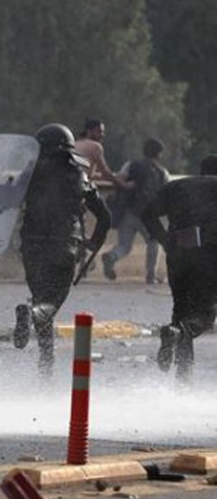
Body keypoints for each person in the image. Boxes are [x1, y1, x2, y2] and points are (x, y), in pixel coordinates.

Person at [12, 124, 111, 376]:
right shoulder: (80, 176)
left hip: (32, 246)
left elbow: (3, 203)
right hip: (65, 246)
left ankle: (46, 363)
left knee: (40, 300)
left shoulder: (28, 176)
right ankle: (42, 350)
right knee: (50, 304)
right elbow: (105, 217)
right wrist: (91, 244)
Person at [141, 155, 217, 382]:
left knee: (181, 312)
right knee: (203, 315)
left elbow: (146, 213)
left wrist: (165, 240)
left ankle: (183, 378)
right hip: (210, 256)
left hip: (179, 254)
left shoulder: (176, 187)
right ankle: (180, 336)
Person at [101, 138, 170, 283]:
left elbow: (118, 180)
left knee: (124, 246)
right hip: (149, 216)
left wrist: (126, 187)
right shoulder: (162, 172)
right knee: (153, 243)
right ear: (159, 154)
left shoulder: (131, 165)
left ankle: (112, 256)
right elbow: (165, 193)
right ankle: (151, 275)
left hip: (128, 212)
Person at [73, 118, 127, 188]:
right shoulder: (96, 146)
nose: (102, 135)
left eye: (102, 132)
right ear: (89, 131)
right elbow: (105, 173)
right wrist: (122, 185)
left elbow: (88, 173)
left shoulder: (75, 144)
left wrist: (115, 175)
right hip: (80, 187)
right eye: (99, 131)